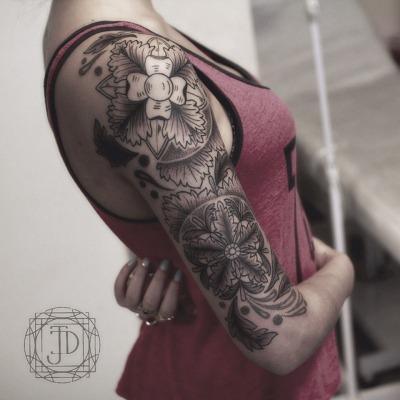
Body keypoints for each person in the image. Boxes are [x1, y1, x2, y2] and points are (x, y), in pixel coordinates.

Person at [43, 1, 355, 399]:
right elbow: (278, 335)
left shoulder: (125, 34)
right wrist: (343, 270)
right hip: (228, 384)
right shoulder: (132, 60)